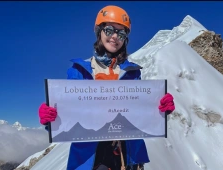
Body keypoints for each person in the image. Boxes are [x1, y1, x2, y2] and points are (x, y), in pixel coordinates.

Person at [38, 5, 175, 170]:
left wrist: (160, 108)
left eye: (121, 33)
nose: (115, 37)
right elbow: (67, 114)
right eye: (109, 30)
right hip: (90, 158)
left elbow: (140, 111)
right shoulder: (78, 71)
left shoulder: (133, 72)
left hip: (127, 156)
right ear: (99, 32)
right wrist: (50, 118)